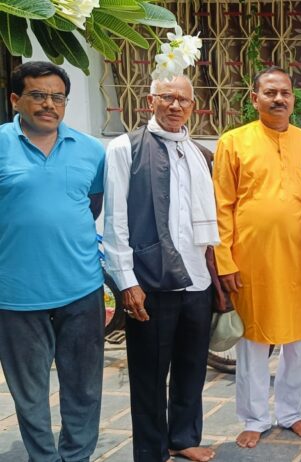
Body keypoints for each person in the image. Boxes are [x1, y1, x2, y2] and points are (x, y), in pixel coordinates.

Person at [104, 75, 223, 462]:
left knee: (192, 365)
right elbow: (115, 220)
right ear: (149, 100)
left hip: (196, 279)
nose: (175, 106)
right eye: (167, 97)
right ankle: (151, 449)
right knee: (149, 373)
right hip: (151, 280)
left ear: (193, 106)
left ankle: (184, 437)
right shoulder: (126, 148)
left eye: (183, 100)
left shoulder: (197, 151)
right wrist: (127, 282)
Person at [0, 61, 106, 462]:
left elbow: (92, 205)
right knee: (29, 392)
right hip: (15, 294)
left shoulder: (91, 150)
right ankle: (43, 458)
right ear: (15, 99)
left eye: (58, 97)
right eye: (38, 95)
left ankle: (77, 456)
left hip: (81, 288)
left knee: (84, 387)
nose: (49, 104)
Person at [213, 67, 301, 448]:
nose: (279, 99)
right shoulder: (234, 142)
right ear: (254, 98)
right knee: (253, 343)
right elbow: (221, 205)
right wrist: (224, 261)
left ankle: (291, 412)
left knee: (300, 343)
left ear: (294, 98)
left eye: (285, 93)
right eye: (270, 92)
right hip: (251, 262)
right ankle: (254, 417)